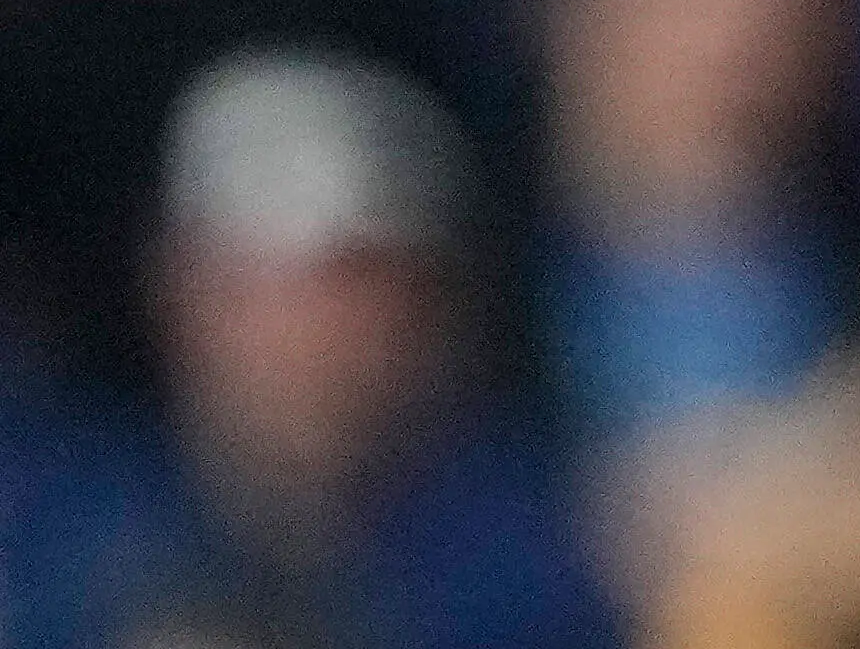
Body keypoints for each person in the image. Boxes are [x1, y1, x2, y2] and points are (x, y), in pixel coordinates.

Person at [0, 53, 617, 649]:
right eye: (258, 284)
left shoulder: (534, 553)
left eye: (352, 285)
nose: (307, 334)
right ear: (175, 289)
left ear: (433, 313)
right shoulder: (52, 525)